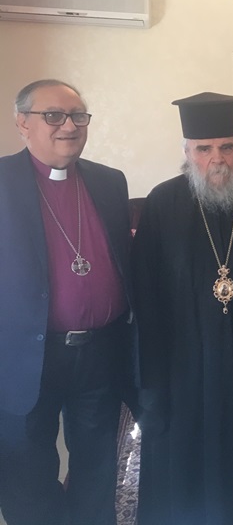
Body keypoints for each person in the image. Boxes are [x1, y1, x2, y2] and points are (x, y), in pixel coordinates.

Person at [133, 92, 233, 524]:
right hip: (186, 364)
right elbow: (146, 293)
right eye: (204, 149)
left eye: (227, 147)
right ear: (187, 153)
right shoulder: (162, 203)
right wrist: (153, 378)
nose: (216, 158)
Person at [0, 79, 133, 525]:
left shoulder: (109, 182)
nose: (68, 126)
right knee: (27, 475)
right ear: (23, 123)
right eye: (53, 116)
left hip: (98, 354)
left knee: (97, 470)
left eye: (78, 116)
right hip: (25, 358)